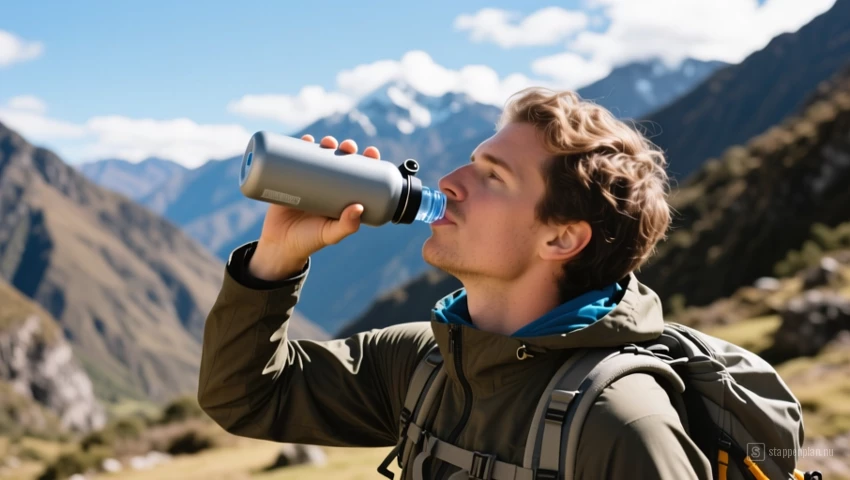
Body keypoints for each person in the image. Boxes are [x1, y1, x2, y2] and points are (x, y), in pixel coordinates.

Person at [197, 87, 713, 479]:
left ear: (561, 240)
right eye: (472, 160)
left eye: (493, 176)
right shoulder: (423, 363)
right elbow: (248, 399)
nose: (448, 181)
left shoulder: (621, 422)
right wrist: (274, 261)